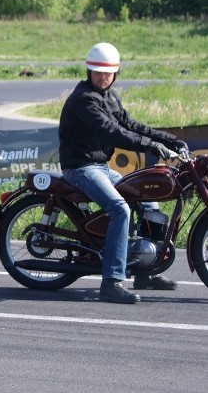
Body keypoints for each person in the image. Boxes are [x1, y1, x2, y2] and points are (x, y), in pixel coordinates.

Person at [58, 42, 188, 304]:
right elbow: (111, 131)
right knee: (120, 209)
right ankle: (112, 281)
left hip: (101, 167)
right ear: (88, 71)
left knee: (147, 200)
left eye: (107, 72)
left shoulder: (110, 96)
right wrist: (151, 146)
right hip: (79, 168)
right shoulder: (83, 99)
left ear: (115, 73)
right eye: (97, 72)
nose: (102, 77)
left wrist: (169, 140)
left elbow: (130, 124)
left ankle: (144, 273)